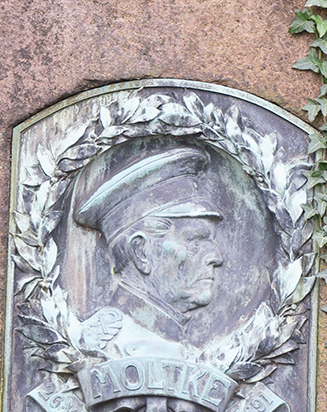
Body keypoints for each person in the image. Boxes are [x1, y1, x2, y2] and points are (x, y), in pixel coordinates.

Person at [72, 145, 223, 360]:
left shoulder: (179, 344)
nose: (216, 257)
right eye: (195, 241)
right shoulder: (96, 346)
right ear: (140, 252)